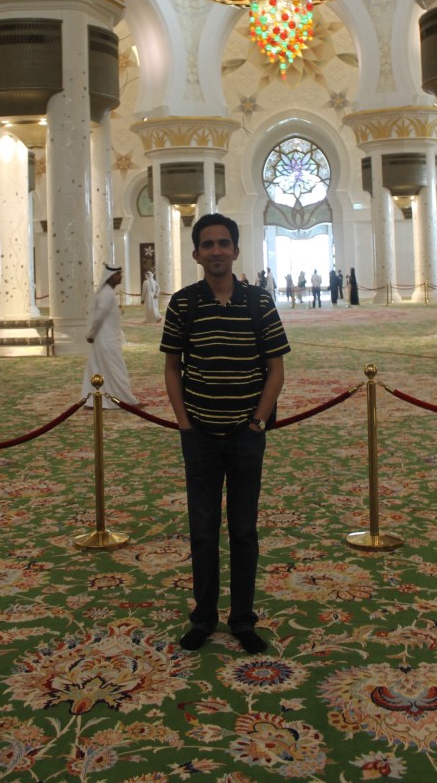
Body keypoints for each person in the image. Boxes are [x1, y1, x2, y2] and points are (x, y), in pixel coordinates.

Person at [160, 213, 290, 655]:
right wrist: (183, 421)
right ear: (196, 253)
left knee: (244, 529)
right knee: (202, 529)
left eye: (223, 243)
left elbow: (275, 368)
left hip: (244, 434)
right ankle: (203, 618)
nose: (216, 250)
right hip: (198, 433)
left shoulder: (259, 302)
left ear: (236, 250)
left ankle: (242, 619)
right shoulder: (183, 303)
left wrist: (257, 420)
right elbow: (172, 367)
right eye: (208, 244)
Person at [81, 262, 139, 408]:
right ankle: (125, 400)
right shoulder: (106, 294)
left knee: (97, 367)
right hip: (105, 339)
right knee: (116, 369)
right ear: (111, 276)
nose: (121, 277)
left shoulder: (107, 293)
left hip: (106, 338)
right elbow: (99, 317)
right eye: (118, 274)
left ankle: (92, 400)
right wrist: (91, 334)